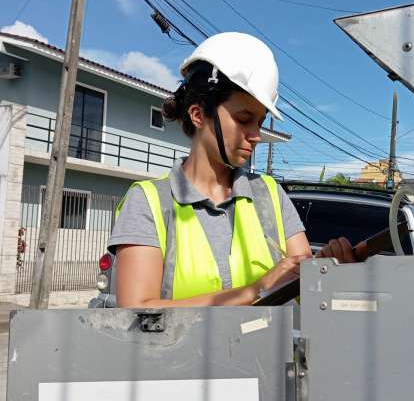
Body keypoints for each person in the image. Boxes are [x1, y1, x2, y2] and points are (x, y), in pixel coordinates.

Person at [109, 32, 360, 308]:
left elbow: (304, 291)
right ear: (198, 114)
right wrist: (256, 290)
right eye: (243, 119)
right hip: (178, 353)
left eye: (260, 122)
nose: (255, 135)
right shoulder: (149, 201)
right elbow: (135, 310)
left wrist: (328, 275)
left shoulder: (270, 195)